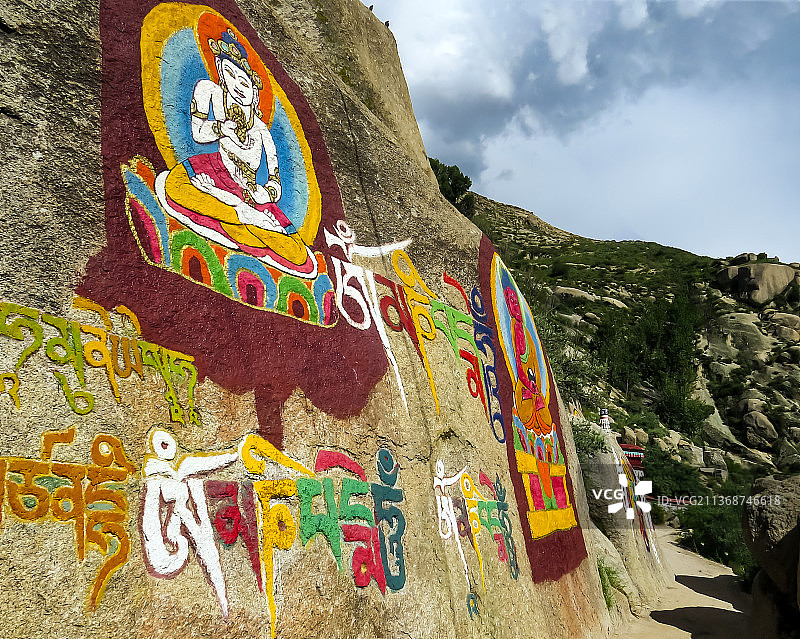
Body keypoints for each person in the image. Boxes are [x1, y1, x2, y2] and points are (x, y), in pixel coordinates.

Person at [159, 29, 311, 270]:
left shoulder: (261, 130)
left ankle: (244, 221)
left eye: (244, 82)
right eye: (230, 74)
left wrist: (267, 194)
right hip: (214, 170)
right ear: (220, 71)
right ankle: (245, 220)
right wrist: (222, 128)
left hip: (250, 193)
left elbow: (275, 180)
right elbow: (198, 133)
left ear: (255, 93)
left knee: (297, 254)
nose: (238, 86)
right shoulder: (208, 90)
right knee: (176, 186)